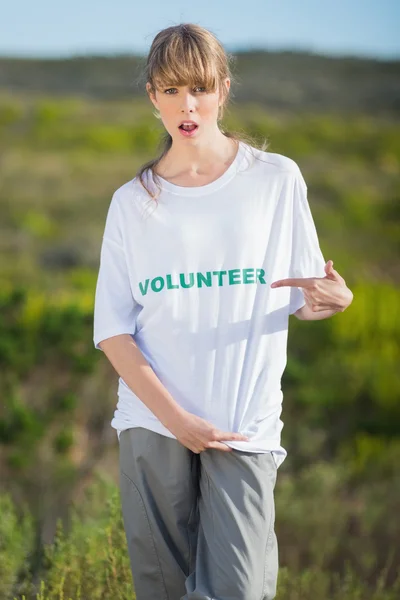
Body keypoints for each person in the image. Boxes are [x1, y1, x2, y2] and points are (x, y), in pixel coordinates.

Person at [93, 23, 353, 600]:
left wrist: (334, 302)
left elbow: (303, 297)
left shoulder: (274, 179)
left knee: (239, 591)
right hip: (154, 422)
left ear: (223, 90)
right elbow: (113, 332)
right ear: (152, 97)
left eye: (200, 88)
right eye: (170, 90)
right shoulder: (132, 203)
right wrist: (178, 421)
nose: (187, 106)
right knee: (161, 591)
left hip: (244, 425)